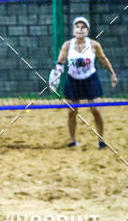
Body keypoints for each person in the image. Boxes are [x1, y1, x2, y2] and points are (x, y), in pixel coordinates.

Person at [49, 16, 117, 148]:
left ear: (87, 30)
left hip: (90, 79)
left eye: (83, 27)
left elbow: (103, 59)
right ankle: (72, 140)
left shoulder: (94, 45)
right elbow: (60, 61)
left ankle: (101, 140)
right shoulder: (67, 45)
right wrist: (57, 73)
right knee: (71, 111)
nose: (80, 29)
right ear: (73, 30)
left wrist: (112, 74)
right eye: (77, 27)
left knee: (96, 109)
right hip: (73, 80)